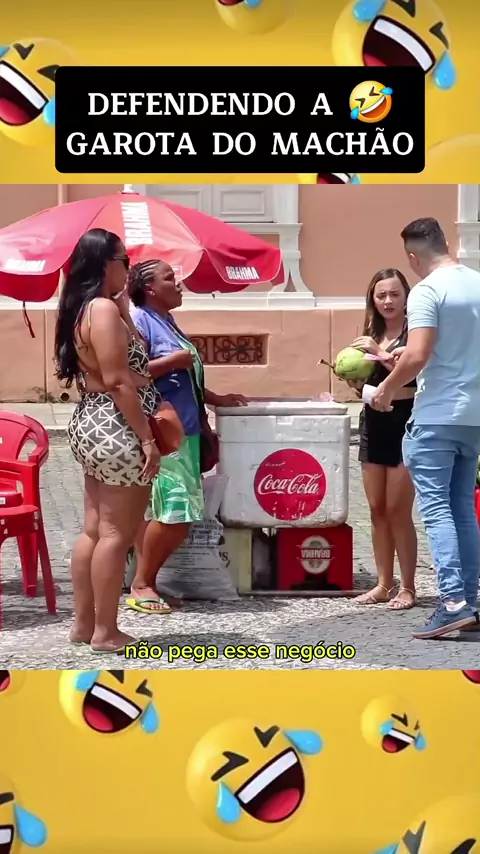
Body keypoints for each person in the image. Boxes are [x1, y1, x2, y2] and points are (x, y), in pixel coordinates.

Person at [371, 217, 480, 639]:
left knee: (437, 511)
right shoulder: (476, 283)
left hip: (437, 414)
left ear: (413, 256)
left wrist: (385, 389)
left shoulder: (428, 290)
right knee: (462, 509)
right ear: (444, 242)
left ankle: (452, 603)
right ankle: (471, 601)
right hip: (473, 415)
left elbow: (417, 355)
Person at [55, 229, 161, 654]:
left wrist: (124, 311)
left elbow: (113, 368)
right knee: (117, 532)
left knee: (95, 529)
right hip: (117, 426)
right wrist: (147, 439)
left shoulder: (87, 307)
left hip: (93, 424)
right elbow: (119, 380)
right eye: (124, 259)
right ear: (105, 263)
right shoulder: (100, 309)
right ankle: (106, 631)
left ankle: (84, 625)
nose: (129, 268)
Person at [126, 259, 247, 614]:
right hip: (164, 433)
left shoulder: (167, 321)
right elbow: (129, 375)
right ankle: (141, 583)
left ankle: (150, 581)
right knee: (176, 513)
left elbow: (185, 379)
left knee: (173, 512)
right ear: (149, 288)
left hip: (187, 431)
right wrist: (170, 362)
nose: (178, 284)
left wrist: (216, 400)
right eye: (169, 278)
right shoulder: (140, 321)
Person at [348, 269, 418, 610]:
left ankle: (408, 587)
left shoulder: (415, 334)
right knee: (377, 509)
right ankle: (382, 584)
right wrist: (353, 378)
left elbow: (414, 381)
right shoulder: (370, 333)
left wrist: (380, 353)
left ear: (406, 297)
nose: (388, 301)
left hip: (406, 424)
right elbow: (366, 386)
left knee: (398, 509)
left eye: (394, 294)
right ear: (372, 300)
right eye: (381, 295)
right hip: (374, 425)